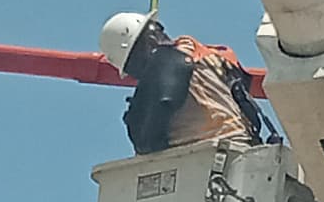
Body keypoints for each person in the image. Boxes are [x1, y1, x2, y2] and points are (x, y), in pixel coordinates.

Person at [98, 10, 271, 156]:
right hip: (242, 149)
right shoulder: (208, 56)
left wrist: (139, 121)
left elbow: (162, 105)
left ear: (150, 42)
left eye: (135, 67)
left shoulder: (168, 61)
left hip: (210, 157)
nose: (140, 78)